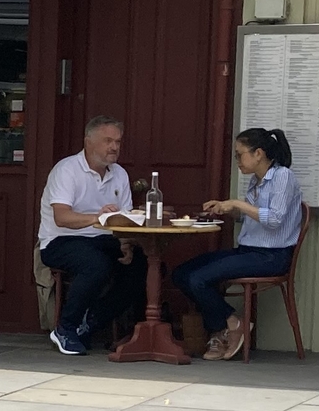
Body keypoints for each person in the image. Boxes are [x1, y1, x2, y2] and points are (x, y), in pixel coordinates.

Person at [171, 127, 304, 362]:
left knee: (198, 279)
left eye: (239, 154)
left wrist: (237, 203)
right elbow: (249, 218)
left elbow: (274, 220)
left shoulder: (282, 176)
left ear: (258, 154)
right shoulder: (256, 181)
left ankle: (231, 325)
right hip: (248, 250)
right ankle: (230, 323)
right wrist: (229, 210)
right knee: (182, 274)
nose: (237, 161)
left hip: (272, 256)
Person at [38, 114, 145, 356]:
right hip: (60, 240)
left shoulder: (119, 174)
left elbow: (124, 220)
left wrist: (126, 243)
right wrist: (98, 218)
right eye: (108, 141)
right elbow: (62, 217)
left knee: (143, 264)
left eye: (117, 142)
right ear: (88, 142)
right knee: (96, 264)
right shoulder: (67, 170)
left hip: (102, 239)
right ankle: (66, 328)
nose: (114, 147)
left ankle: (93, 321)